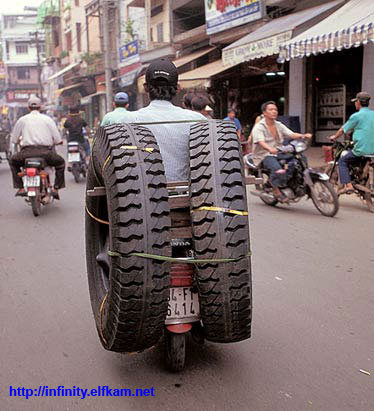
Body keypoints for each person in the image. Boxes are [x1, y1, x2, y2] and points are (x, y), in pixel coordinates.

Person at [131, 58, 206, 182]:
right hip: (190, 197)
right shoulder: (198, 121)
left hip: (143, 197)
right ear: (178, 88)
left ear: (145, 88)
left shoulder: (130, 121)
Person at [252, 101, 312, 202]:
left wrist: (303, 135)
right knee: (277, 169)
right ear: (264, 113)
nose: (274, 112)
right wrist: (270, 149)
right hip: (264, 155)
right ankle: (275, 189)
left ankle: (294, 182)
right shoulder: (259, 127)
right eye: (271, 110)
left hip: (279, 152)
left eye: (275, 110)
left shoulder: (278, 124)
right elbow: (260, 141)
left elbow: (291, 134)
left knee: (299, 160)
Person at [9, 96, 65, 198]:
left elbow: (14, 139)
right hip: (45, 153)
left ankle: (21, 187)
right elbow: (57, 139)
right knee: (60, 163)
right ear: (40, 107)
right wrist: (58, 142)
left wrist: (18, 141)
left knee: (13, 161)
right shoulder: (48, 120)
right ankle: (55, 188)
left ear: (28, 107)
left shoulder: (22, 120)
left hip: (26, 153)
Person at [330, 91, 374, 195]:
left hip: (361, 149)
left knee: (342, 161)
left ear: (358, 102)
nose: (355, 103)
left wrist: (334, 137)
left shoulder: (356, 116)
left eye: (355, 101)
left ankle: (348, 185)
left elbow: (343, 130)